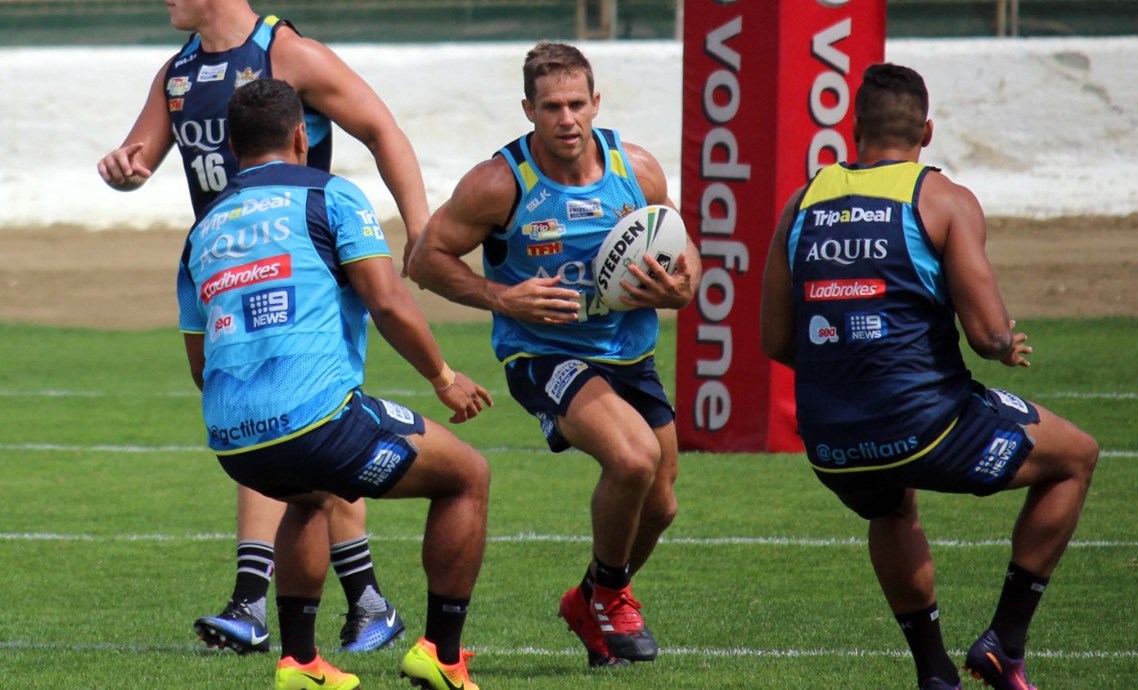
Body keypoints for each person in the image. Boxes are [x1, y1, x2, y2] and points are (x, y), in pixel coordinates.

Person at [97, 0, 431, 653]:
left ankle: (257, 602)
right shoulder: (177, 73)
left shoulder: (288, 53)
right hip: (233, 268)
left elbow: (381, 129)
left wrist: (419, 227)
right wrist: (124, 173)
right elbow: (139, 159)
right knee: (277, 420)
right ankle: (362, 600)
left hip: (301, 266)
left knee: (286, 415)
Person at [759, 62, 1099, 690]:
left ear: (853, 129)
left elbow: (776, 340)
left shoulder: (801, 203)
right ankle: (1005, 643)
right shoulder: (942, 198)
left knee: (891, 508)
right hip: (927, 427)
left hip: (831, 442)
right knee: (1076, 457)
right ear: (928, 132)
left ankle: (935, 673)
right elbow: (987, 335)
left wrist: (853, 368)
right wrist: (1005, 347)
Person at [177, 78, 490, 690]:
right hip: (318, 420)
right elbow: (388, 302)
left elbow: (199, 363)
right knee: (467, 477)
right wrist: (443, 377)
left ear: (233, 147)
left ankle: (300, 662)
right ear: (302, 135)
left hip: (233, 441)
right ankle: (442, 656)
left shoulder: (203, 229)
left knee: (311, 496)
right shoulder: (331, 195)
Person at [407, 41, 700, 668]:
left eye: (576, 104)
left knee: (661, 503)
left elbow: (679, 243)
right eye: (550, 107)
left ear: (596, 103)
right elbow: (424, 259)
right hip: (544, 354)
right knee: (633, 458)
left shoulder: (636, 169)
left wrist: (682, 287)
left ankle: (587, 599)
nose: (566, 119)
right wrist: (502, 297)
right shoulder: (499, 183)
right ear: (528, 110)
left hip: (628, 352)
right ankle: (613, 597)